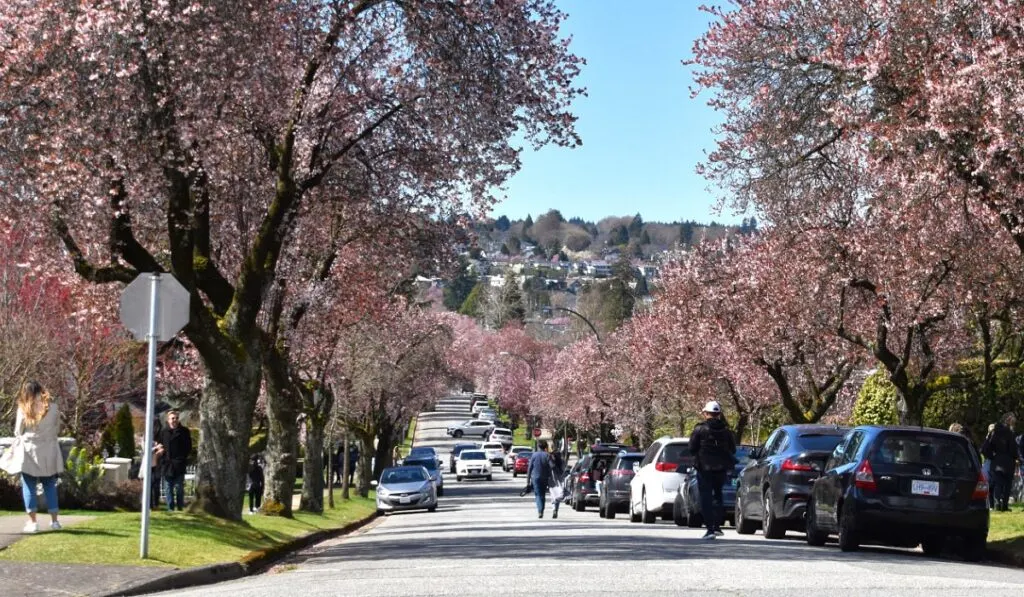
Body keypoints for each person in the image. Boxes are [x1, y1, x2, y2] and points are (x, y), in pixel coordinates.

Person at [11, 381, 64, 533]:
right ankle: (54, 521)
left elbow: (18, 431)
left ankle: (33, 522)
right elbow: (57, 429)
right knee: (50, 486)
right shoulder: (53, 408)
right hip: (48, 451)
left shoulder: (24, 409)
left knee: (29, 486)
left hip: (29, 451)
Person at [689, 400, 736, 540]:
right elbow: (733, 449)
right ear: (719, 414)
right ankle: (717, 526)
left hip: (704, 468)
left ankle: (710, 529)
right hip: (721, 468)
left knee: (705, 497)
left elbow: (692, 448)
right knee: (718, 496)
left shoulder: (699, 429)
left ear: (706, 414)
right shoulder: (727, 431)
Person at [982, 413, 1019, 512]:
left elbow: (985, 448)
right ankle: (1004, 505)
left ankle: (997, 503)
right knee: (1007, 485)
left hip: (996, 461)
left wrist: (992, 456)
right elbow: (1013, 449)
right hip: (1008, 462)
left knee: (997, 483)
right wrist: (1016, 458)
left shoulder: (994, 432)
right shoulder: (1010, 433)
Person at [157, 410, 192, 512]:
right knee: (168, 487)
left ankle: (180, 507)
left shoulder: (184, 431)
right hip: (167, 463)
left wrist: (182, 458)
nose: (175, 420)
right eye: (172, 418)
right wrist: (160, 450)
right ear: (168, 420)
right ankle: (170, 508)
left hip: (179, 463)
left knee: (179, 487)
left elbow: (188, 447)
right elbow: (160, 444)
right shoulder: (164, 432)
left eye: (176, 418)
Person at [527, 440, 553, 518]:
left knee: (538, 494)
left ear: (539, 446)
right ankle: (542, 509)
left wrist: (528, 481)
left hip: (535, 477)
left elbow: (529, 468)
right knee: (543, 494)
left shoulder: (534, 455)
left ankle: (540, 510)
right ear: (546, 447)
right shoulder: (547, 455)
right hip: (545, 478)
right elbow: (552, 466)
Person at [550, 448, 566, 519]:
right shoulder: (562, 462)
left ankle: (554, 509)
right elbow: (564, 470)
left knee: (553, 495)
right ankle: (556, 509)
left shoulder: (551, 463)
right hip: (560, 480)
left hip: (552, 481)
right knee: (559, 494)